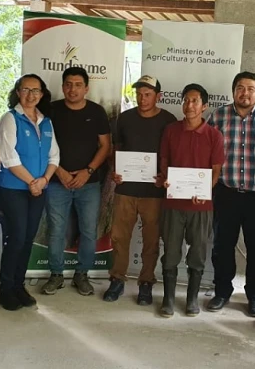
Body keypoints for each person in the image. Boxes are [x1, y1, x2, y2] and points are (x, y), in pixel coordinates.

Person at [206, 72, 255, 317]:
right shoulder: (218, 117)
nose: (245, 93)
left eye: (250, 88)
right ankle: (222, 292)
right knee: (222, 246)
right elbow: (208, 154)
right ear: (233, 90)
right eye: (240, 88)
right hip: (226, 193)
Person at [103, 76, 175, 305]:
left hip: (153, 193)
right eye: (139, 94)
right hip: (126, 189)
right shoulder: (125, 119)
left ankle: (146, 282)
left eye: (147, 94)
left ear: (158, 96)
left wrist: (165, 176)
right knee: (119, 237)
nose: (142, 99)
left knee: (151, 240)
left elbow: (171, 155)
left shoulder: (168, 120)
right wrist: (115, 171)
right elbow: (117, 149)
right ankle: (117, 279)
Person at [41, 67, 110, 296]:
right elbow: (43, 146)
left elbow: (105, 146)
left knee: (88, 230)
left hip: (88, 184)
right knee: (56, 230)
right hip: (56, 181)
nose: (73, 89)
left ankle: (82, 275)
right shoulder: (51, 111)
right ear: (62, 87)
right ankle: (56, 275)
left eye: (78, 84)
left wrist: (87, 172)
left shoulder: (97, 112)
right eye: (68, 84)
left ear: (86, 88)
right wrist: (58, 171)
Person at [158, 83, 224, 318]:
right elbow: (164, 161)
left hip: (200, 206)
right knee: (171, 252)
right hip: (173, 204)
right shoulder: (171, 130)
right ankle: (167, 300)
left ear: (204, 106)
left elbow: (215, 171)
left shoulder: (214, 135)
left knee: (197, 253)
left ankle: (192, 299)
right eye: (186, 100)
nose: (189, 105)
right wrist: (165, 179)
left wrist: (205, 191)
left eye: (195, 101)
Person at [0, 74, 59, 310]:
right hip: (14, 190)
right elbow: (9, 157)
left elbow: (55, 156)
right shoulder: (10, 119)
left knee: (28, 238)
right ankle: (5, 289)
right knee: (18, 237)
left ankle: (19, 286)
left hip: (38, 189)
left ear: (42, 94)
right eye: (26, 90)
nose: (31, 95)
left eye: (36, 90)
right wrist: (34, 181)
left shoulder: (46, 121)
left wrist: (43, 180)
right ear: (18, 92)